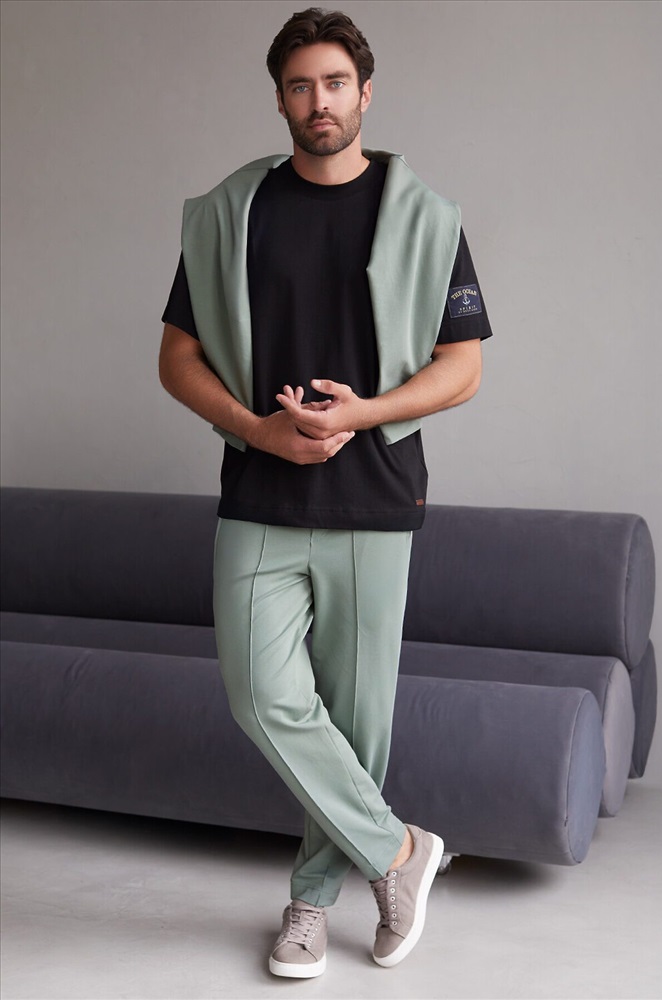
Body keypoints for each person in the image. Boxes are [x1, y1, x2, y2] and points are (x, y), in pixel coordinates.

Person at [159, 6, 492, 979]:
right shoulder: (231, 213)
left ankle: (311, 901)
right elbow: (177, 357)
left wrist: (366, 412)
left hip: (375, 496)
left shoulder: (426, 216)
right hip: (259, 490)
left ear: (364, 93)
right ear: (279, 100)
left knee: (354, 723)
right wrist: (255, 428)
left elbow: (463, 367)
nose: (319, 101)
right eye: (300, 85)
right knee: (260, 694)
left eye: (335, 83)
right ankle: (398, 851)